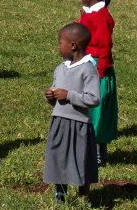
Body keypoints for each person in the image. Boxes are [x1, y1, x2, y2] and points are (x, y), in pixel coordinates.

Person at [44, 21, 100, 203]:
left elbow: (93, 98)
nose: (58, 47)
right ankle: (60, 194)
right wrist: (51, 96)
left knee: (81, 159)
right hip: (59, 121)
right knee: (57, 157)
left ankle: (84, 196)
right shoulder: (60, 68)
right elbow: (56, 91)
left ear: (73, 45)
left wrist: (70, 95)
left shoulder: (88, 70)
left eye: (60, 43)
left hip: (79, 124)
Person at [79, 0, 117, 166]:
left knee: (96, 112)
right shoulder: (90, 12)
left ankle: (98, 154)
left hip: (96, 69)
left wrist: (99, 73)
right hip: (88, 66)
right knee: (89, 110)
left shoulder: (101, 17)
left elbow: (104, 45)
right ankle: (95, 152)